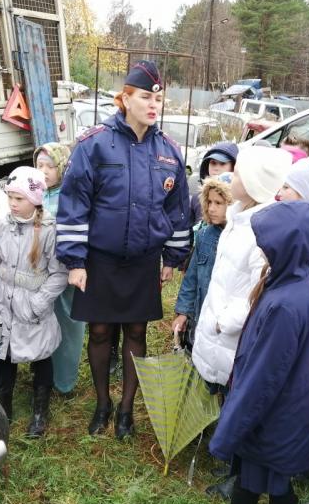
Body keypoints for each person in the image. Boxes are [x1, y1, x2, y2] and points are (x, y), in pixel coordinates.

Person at [56, 60, 190, 439]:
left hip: (143, 259)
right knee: (99, 331)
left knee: (136, 331)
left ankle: (126, 410)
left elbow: (177, 210)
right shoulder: (94, 144)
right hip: (100, 259)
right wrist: (75, 260)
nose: (154, 104)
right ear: (125, 98)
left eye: (158, 98)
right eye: (146, 96)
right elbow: (73, 203)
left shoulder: (167, 151)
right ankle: (102, 403)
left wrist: (172, 257)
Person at [209, 200, 309, 504]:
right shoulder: (295, 278)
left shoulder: (284, 305)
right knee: (256, 477)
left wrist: (227, 433)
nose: (261, 251)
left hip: (272, 418)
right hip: (282, 415)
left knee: (275, 484)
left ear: (287, 247)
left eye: (266, 246)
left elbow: (263, 378)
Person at [192, 145, 290, 389]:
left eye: (237, 174)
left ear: (251, 184)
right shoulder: (236, 219)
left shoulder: (260, 233)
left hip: (228, 336)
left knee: (227, 393)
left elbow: (259, 288)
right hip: (214, 329)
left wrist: (225, 322)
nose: (230, 177)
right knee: (210, 393)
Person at [0, 166, 68, 437]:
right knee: (5, 356)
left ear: (36, 199)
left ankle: (40, 411)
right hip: (3, 303)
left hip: (32, 306)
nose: (13, 204)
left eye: (19, 199)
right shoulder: (2, 226)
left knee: (41, 355)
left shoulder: (49, 230)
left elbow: (59, 273)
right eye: (10, 197)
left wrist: (38, 304)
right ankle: (3, 408)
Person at [34, 142, 85, 397]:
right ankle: (42, 372)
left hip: (65, 271)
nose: (43, 171)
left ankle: (65, 381)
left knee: (67, 325)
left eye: (50, 166)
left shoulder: (72, 195)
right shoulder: (34, 193)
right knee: (41, 321)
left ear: (63, 167)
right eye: (39, 165)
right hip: (38, 273)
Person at [173, 173, 233, 350]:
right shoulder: (204, 235)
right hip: (200, 319)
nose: (212, 208)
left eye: (219, 203)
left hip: (225, 327)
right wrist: (183, 312)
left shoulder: (243, 239)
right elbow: (191, 279)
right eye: (209, 202)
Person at [190, 142, 238, 226]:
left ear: (234, 167)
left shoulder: (241, 200)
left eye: (222, 163)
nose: (216, 168)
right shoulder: (197, 198)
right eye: (213, 163)